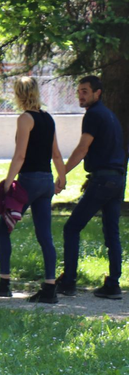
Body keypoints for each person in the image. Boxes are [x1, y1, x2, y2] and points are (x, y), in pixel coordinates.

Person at [0, 77, 66, 303]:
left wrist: (8, 183)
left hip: (28, 181)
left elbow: (20, 156)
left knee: (3, 230)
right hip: (47, 181)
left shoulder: (25, 119)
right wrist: (62, 178)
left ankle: (4, 283)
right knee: (45, 236)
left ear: (19, 94)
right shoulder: (48, 118)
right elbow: (56, 154)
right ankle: (50, 289)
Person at [55, 75, 127, 299]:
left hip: (105, 181)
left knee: (72, 228)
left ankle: (68, 281)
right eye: (79, 91)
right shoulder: (110, 116)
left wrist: (62, 173)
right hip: (116, 179)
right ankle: (113, 284)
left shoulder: (94, 115)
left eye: (85, 91)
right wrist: (95, 174)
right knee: (112, 233)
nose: (81, 95)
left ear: (98, 93)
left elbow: (82, 148)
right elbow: (111, 150)